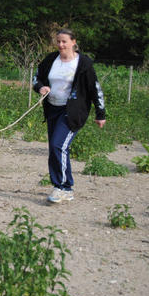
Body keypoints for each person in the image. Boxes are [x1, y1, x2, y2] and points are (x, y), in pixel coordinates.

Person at [33, 28, 106, 203]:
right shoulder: (51, 60)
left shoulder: (83, 64)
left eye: (64, 41)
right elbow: (37, 78)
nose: (60, 45)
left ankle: (64, 187)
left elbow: (94, 89)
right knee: (55, 148)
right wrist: (41, 88)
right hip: (52, 109)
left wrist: (100, 113)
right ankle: (61, 185)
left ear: (74, 42)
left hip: (73, 111)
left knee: (59, 145)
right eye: (58, 41)